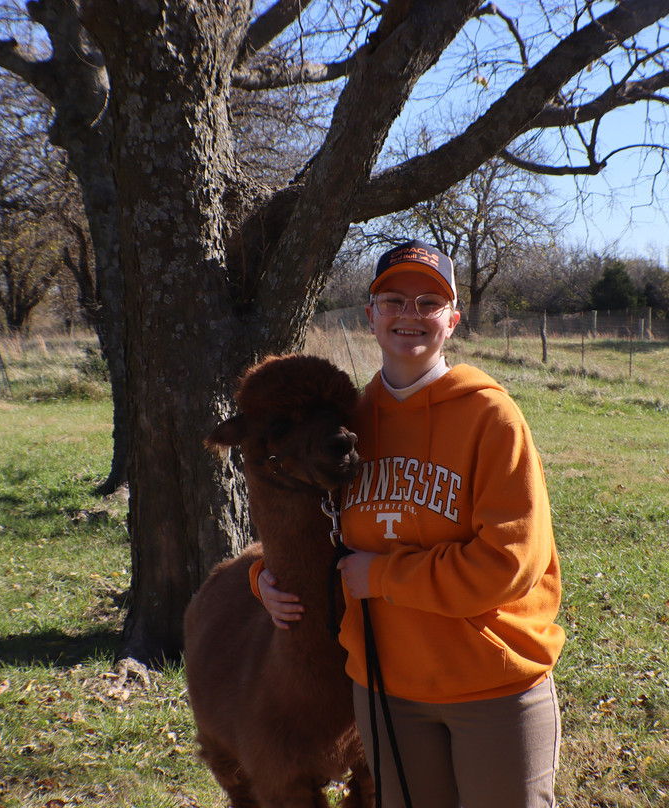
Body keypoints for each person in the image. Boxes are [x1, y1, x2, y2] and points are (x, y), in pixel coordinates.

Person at [253, 240, 564, 808]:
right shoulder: (348, 425)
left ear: (452, 318)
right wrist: (266, 584)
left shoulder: (491, 418)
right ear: (370, 314)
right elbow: (310, 528)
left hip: (491, 684)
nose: (410, 315)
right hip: (385, 691)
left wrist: (383, 578)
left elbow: (508, 564)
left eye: (428, 301)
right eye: (393, 299)